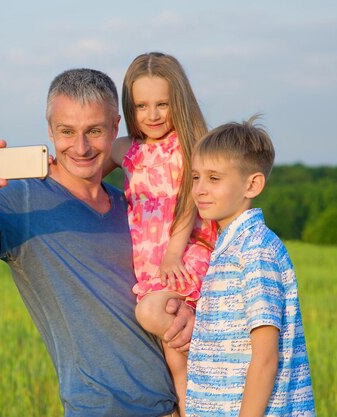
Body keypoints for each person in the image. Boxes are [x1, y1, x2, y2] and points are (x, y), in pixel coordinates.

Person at [0, 68, 196, 417]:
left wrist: (186, 316)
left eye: (94, 131)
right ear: (50, 130)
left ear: (115, 127)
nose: (80, 147)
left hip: (173, 407)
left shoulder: (137, 206)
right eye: (67, 132)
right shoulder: (22, 201)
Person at [102, 52, 217, 416]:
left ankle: (206, 355)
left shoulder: (191, 144)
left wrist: (173, 253)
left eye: (162, 104)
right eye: (142, 106)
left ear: (178, 101)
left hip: (184, 256)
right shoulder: (127, 150)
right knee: (170, 350)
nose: (152, 115)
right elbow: (82, 164)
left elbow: (188, 200)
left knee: (153, 314)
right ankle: (188, 405)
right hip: (150, 265)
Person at [186, 116, 316, 416]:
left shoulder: (255, 249)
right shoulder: (228, 246)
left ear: (252, 184)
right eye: (196, 177)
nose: (200, 189)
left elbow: (266, 357)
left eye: (214, 178)